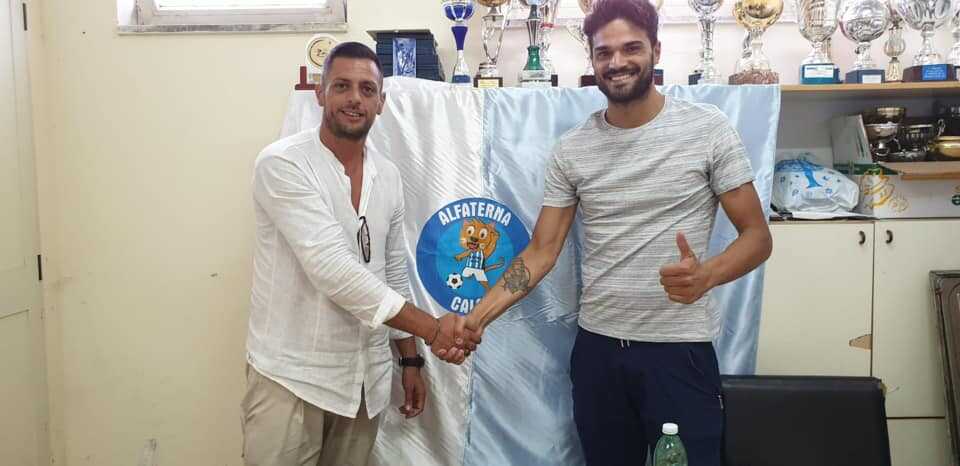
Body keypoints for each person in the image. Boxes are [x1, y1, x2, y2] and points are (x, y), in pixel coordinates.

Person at [457, 1, 773, 464]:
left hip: (679, 352)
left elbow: (757, 237)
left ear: (656, 51)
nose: (617, 62)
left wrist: (706, 276)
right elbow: (541, 251)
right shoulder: (572, 149)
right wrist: (477, 318)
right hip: (598, 353)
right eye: (604, 52)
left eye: (631, 48)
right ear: (592, 60)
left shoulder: (708, 129)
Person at [243, 42, 479, 466]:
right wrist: (433, 329)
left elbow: (392, 272)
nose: (355, 98)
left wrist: (410, 359)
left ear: (381, 102)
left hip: (364, 382)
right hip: (291, 378)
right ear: (320, 93)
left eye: (367, 89)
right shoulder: (282, 164)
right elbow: (333, 270)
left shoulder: (387, 175)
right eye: (342, 86)